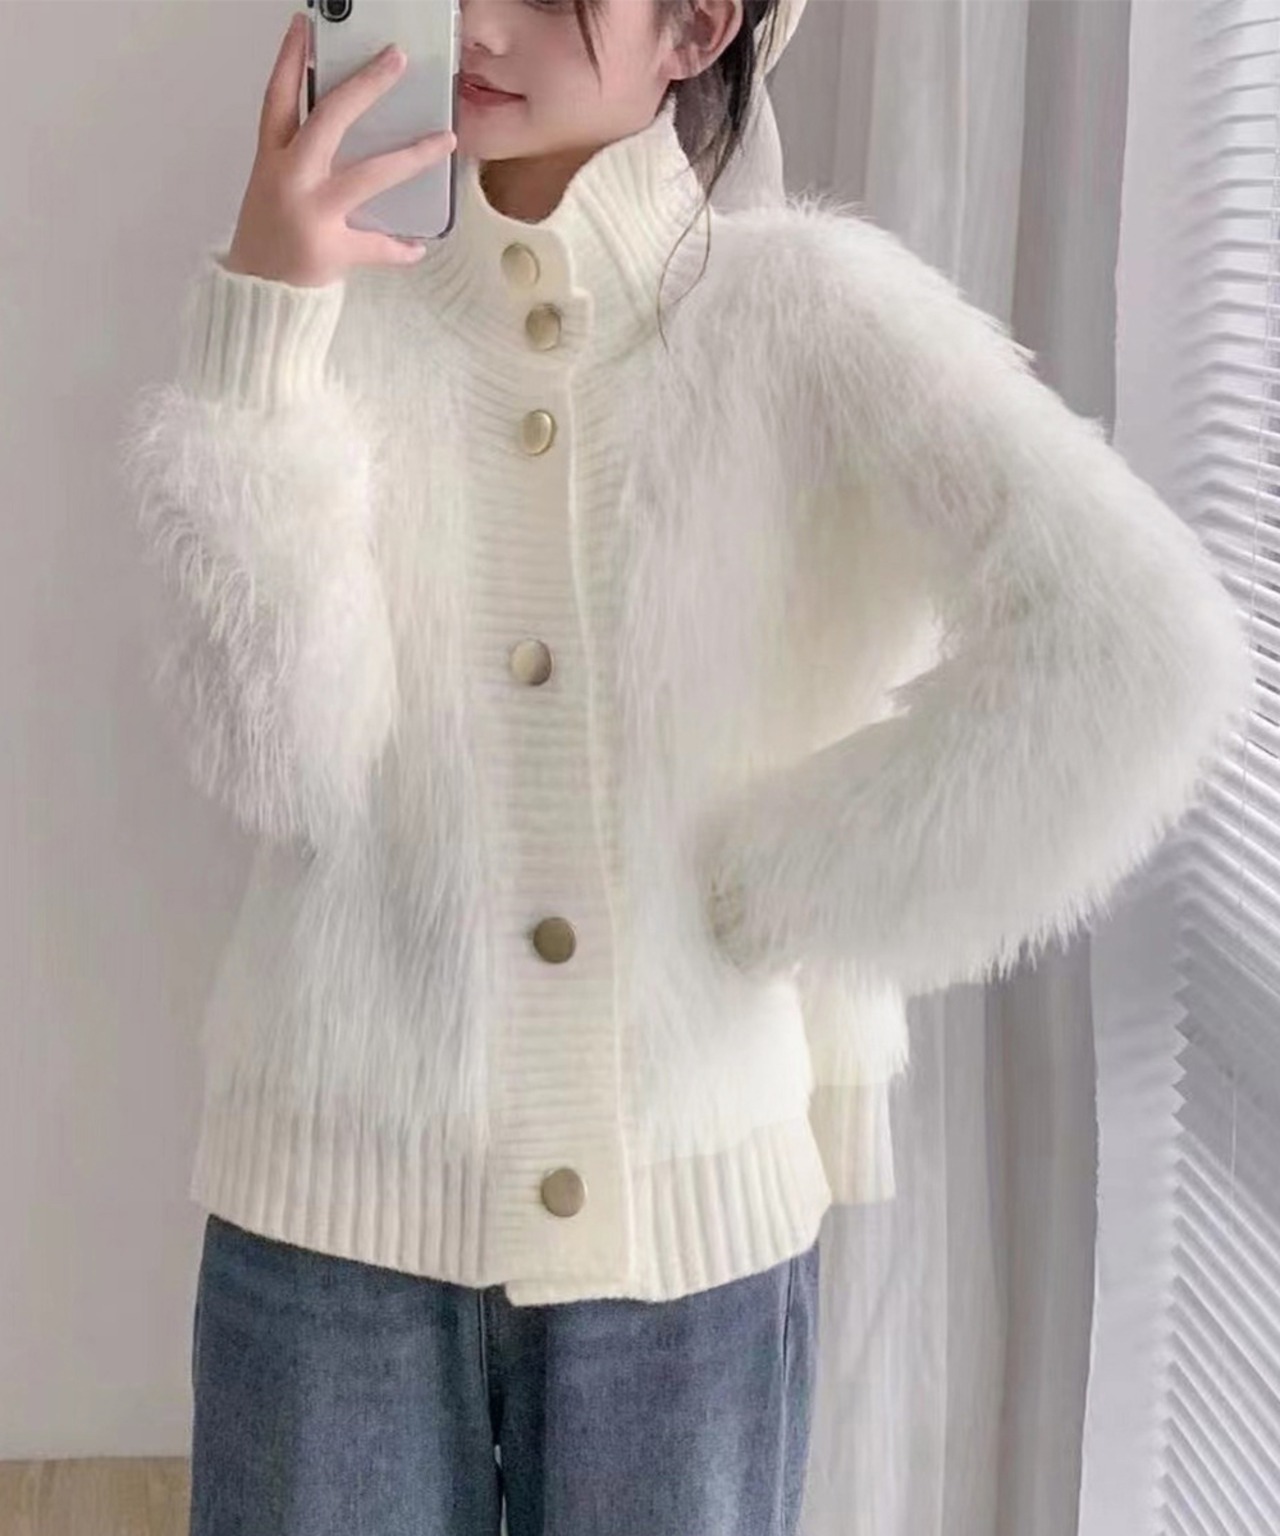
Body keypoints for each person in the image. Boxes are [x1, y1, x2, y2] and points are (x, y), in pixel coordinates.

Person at [117, 2, 1254, 1534]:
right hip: (329, 1224)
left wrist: (784, 885)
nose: (479, 20)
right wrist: (264, 327)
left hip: (689, 1255)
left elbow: (1138, 646)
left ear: (698, 25)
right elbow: (281, 766)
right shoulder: (320, 316)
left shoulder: (815, 313)